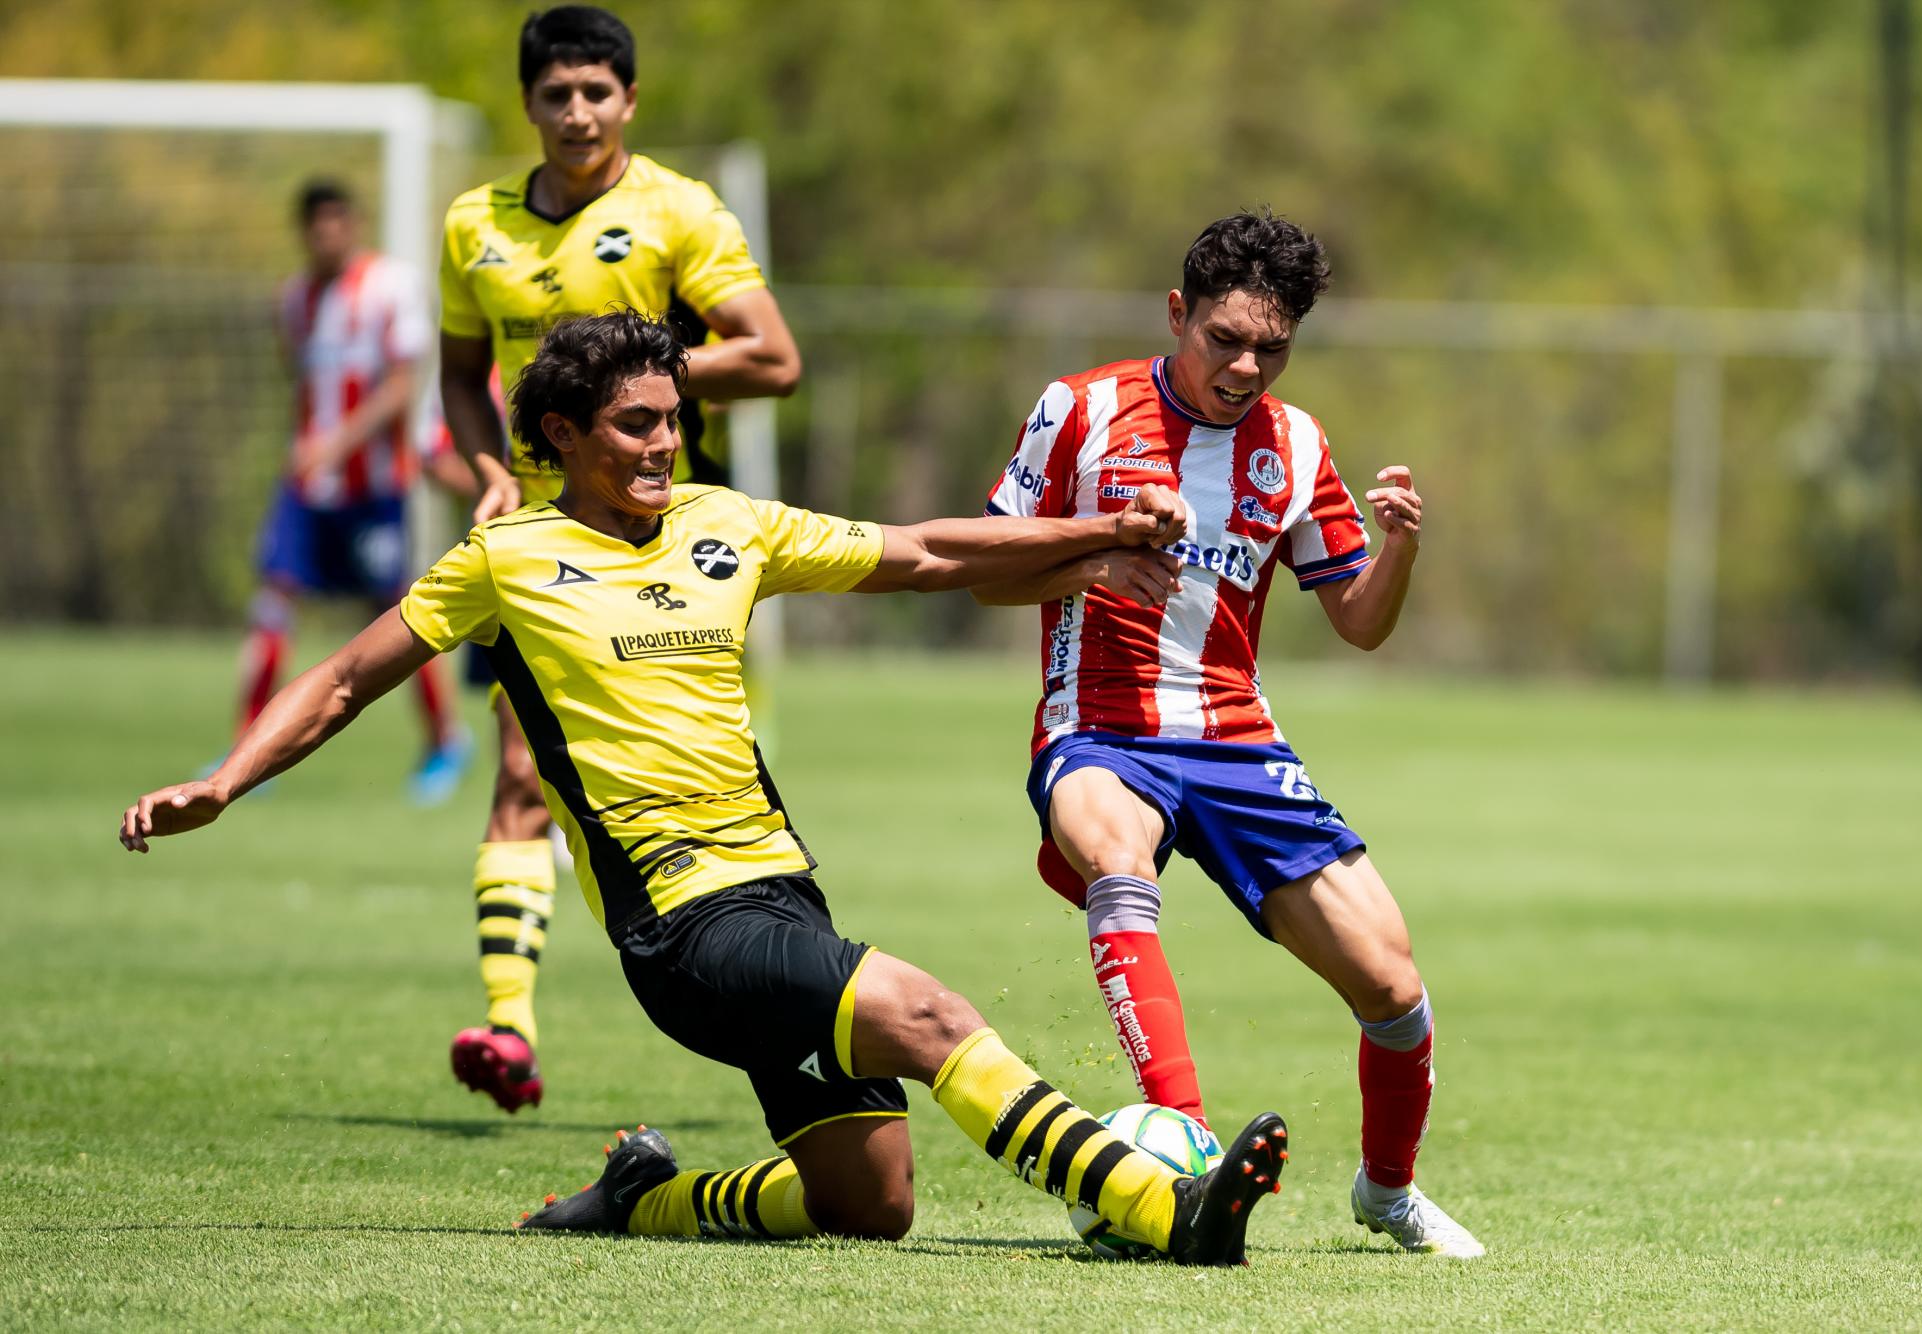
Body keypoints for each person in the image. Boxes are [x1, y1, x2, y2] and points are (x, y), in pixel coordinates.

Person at [118, 311, 1286, 1263]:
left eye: (673, 419)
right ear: (563, 432)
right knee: (933, 1016)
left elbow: (926, 550)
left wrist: (1094, 537)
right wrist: (224, 782)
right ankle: (1158, 1204)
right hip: (680, 925)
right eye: (635, 423)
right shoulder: (502, 561)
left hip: (782, 892)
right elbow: (340, 679)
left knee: (868, 1203)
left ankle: (641, 1198)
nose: (663, 444)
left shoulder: (722, 523)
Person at [974, 211, 1484, 1258]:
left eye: (1273, 347)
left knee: (1393, 987)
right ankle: (1188, 1147)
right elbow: (983, 569)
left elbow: (1359, 623)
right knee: (1120, 864)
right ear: (1178, 313)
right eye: (1225, 339)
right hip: (1098, 727)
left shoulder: (1295, 444)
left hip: (1237, 741)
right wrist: (1095, 560)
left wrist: (1398, 552)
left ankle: (1387, 1193)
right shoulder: (1079, 409)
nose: (1246, 367)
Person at [435, 5, 804, 1111]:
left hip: (657, 539)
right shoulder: (473, 224)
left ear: (628, 100)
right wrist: (486, 468)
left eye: (597, 91)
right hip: (537, 540)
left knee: (686, 782)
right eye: (556, 93)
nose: (577, 112)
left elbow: (772, 356)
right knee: (518, 766)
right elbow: (458, 373)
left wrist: (630, 380)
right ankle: (509, 1023)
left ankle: (758, 974)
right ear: (529, 103)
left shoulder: (677, 210)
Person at [229, 179, 470, 805]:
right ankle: (245, 751)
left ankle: (445, 741)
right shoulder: (295, 298)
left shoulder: (390, 286)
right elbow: (300, 377)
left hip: (374, 488)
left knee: (399, 612)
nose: (327, 233)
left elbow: (402, 385)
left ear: (355, 223)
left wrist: (337, 444)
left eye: (337, 220)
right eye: (316, 224)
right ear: (304, 232)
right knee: (273, 600)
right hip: (308, 488)